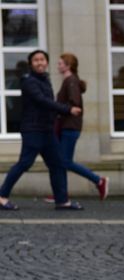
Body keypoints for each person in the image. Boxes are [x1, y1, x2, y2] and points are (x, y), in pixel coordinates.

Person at [0, 50, 83, 211]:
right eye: (36, 60)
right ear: (31, 64)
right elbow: (42, 101)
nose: (39, 62)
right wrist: (67, 109)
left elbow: (49, 103)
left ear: (46, 63)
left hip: (46, 130)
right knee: (24, 163)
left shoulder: (45, 80)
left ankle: (62, 201)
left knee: (57, 164)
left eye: (42, 59)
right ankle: (2, 196)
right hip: (33, 129)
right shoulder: (29, 81)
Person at [55, 53, 108, 201]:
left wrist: (57, 108)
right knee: (61, 161)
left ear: (68, 65)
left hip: (70, 127)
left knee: (65, 162)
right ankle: (61, 193)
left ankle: (98, 180)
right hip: (67, 126)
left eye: (60, 63)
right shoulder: (69, 80)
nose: (57, 65)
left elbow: (75, 103)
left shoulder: (71, 81)